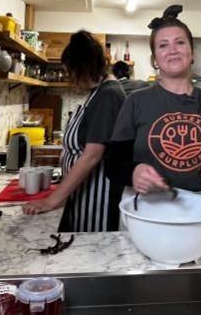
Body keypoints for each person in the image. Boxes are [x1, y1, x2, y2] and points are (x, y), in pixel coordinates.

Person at [107, 6, 201, 199]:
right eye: (163, 45)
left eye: (180, 42)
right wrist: (133, 172)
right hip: (148, 206)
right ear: (155, 59)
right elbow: (112, 164)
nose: (172, 50)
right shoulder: (136, 101)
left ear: (192, 53)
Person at [23, 31, 126, 232]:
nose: (70, 78)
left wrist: (51, 201)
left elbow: (92, 156)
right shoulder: (99, 92)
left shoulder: (108, 95)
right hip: (83, 194)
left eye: (71, 72)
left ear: (83, 67)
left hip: (98, 200)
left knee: (90, 255)